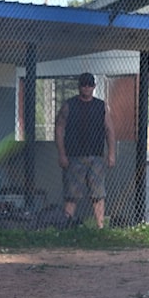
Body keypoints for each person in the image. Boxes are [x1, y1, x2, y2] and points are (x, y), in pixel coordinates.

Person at [55, 72, 116, 229]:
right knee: (71, 194)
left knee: (98, 194)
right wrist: (62, 154)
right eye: (84, 85)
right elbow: (59, 128)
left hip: (96, 156)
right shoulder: (69, 105)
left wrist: (111, 153)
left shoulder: (101, 106)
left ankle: (100, 227)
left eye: (90, 85)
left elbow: (109, 130)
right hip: (74, 156)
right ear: (79, 86)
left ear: (94, 87)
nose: (87, 88)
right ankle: (66, 225)